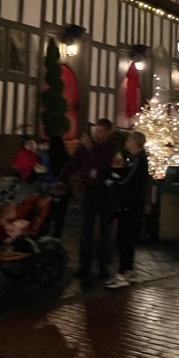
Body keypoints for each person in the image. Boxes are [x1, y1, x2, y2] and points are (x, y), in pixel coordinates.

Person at [56, 118, 118, 282]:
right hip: (89, 191)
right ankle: (85, 264)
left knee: (105, 228)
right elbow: (73, 163)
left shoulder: (111, 148)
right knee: (85, 229)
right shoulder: (83, 146)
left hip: (105, 192)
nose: (95, 135)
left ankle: (103, 265)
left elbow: (101, 166)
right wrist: (61, 179)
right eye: (94, 132)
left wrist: (90, 148)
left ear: (107, 133)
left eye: (99, 132)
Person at [105, 132, 150, 289]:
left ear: (134, 143)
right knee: (127, 238)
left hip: (130, 204)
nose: (127, 141)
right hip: (133, 203)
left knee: (123, 237)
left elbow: (128, 180)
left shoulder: (138, 160)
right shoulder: (136, 160)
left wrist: (112, 182)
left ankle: (123, 273)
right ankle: (129, 271)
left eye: (129, 139)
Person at [46, 135, 70, 238]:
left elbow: (46, 169)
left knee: (49, 211)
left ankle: (47, 232)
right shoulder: (66, 155)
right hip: (63, 187)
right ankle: (57, 234)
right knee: (61, 212)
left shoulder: (49, 155)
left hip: (51, 186)